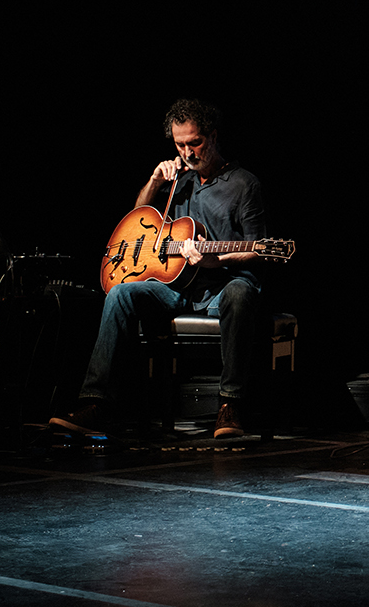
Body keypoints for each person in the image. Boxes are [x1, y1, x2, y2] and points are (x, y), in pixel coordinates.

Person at [51, 99, 271, 440]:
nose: (188, 152)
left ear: (212, 137)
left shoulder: (244, 184)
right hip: (178, 288)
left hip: (222, 287)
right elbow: (136, 223)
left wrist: (217, 260)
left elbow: (257, 249)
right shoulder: (178, 181)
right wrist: (155, 181)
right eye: (180, 144)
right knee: (121, 293)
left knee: (242, 291)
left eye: (194, 143)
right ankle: (96, 404)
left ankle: (230, 406)